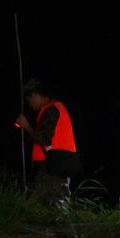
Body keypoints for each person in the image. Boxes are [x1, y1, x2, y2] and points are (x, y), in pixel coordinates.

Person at [15, 79, 80, 208]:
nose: (30, 103)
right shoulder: (55, 108)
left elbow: (42, 138)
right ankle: (61, 225)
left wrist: (26, 126)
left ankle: (62, 226)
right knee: (56, 202)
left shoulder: (52, 109)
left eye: (29, 99)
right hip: (59, 163)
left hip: (55, 165)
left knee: (36, 203)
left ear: (36, 95)